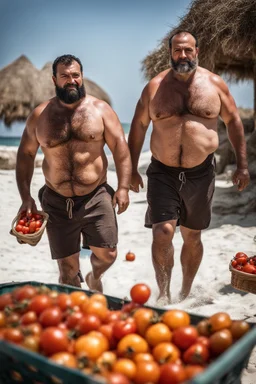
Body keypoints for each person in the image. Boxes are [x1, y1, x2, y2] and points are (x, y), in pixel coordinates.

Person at [128, 31, 250, 305]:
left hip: (201, 172)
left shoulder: (214, 84)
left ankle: (185, 290)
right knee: (163, 232)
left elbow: (234, 123)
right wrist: (131, 169)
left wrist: (242, 165)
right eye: (177, 50)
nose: (182, 55)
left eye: (188, 50)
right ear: (169, 52)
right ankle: (163, 293)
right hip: (162, 171)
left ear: (197, 51)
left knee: (192, 236)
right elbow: (137, 127)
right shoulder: (154, 87)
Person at [16, 54, 132, 290]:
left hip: (96, 195)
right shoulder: (40, 115)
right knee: (67, 272)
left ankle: (94, 278)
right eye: (65, 76)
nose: (71, 80)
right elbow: (25, 155)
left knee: (108, 254)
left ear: (82, 76)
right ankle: (76, 317)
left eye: (75, 75)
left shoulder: (100, 110)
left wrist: (122, 187)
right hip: (56, 200)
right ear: (54, 79)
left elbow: (121, 149)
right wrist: (26, 197)